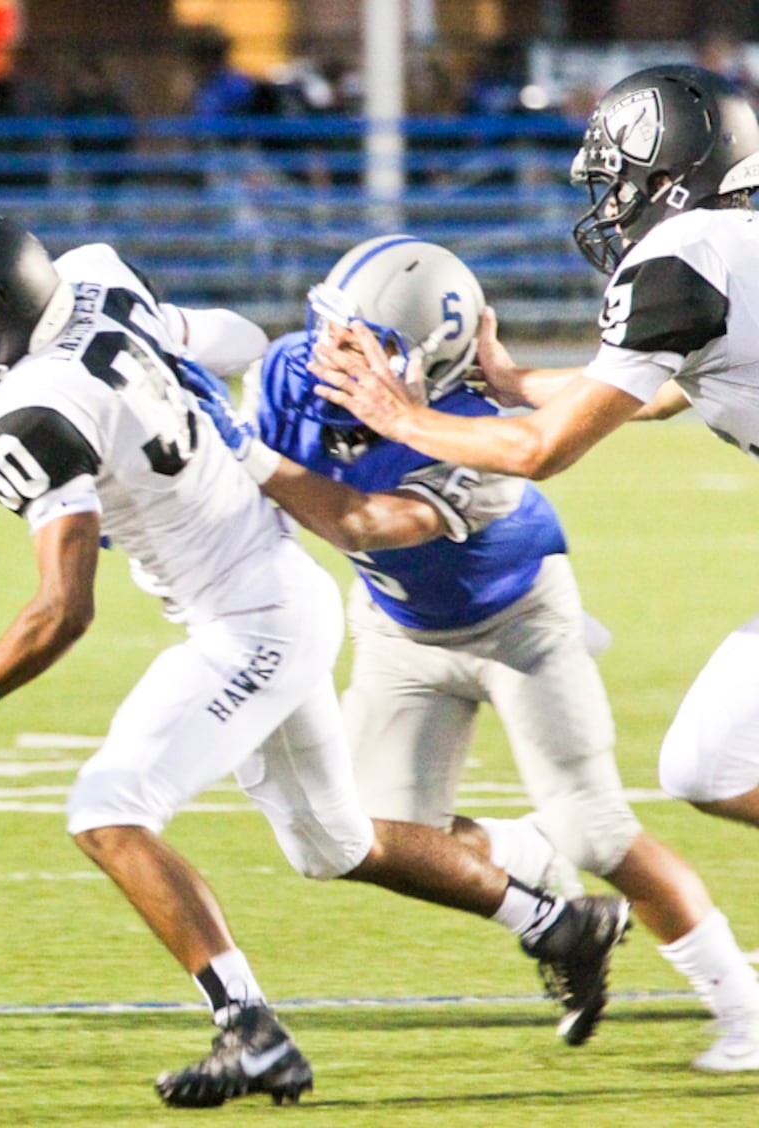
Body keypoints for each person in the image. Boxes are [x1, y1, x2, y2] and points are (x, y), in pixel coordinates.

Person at [0, 209, 631, 1108]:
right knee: (332, 844)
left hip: (249, 621)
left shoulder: (35, 420)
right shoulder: (95, 278)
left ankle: (251, 1032)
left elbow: (61, 611)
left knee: (108, 811)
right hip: (277, 588)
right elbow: (228, 338)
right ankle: (555, 922)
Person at [186, 233, 759, 1073]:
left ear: (422, 359)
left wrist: (243, 450)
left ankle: (739, 1006)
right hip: (395, 627)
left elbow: (363, 523)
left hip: (517, 629)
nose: (331, 353)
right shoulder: (284, 373)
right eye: (330, 327)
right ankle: (542, 872)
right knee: (359, 836)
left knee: (597, 832)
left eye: (363, 341)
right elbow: (258, 511)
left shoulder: (472, 437)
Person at [308, 64, 759, 1073]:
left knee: (709, 763)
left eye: (616, 173)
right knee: (705, 764)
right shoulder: (730, 252)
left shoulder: (686, 255)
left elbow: (540, 452)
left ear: (670, 171)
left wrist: (396, 414)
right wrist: (510, 380)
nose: (604, 198)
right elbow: (641, 394)